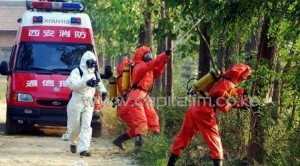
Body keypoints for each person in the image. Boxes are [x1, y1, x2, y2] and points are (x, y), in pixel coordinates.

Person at [167, 63, 251, 166]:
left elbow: (224, 95)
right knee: (215, 141)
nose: (243, 80)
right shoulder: (227, 83)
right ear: (240, 76)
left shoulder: (221, 79)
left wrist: (240, 96)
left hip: (194, 106)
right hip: (204, 111)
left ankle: (170, 164)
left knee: (183, 136)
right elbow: (221, 103)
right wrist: (238, 105)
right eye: (243, 77)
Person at [121, 46, 171, 154]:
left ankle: (158, 145)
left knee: (153, 119)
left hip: (145, 96)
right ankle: (138, 150)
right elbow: (153, 64)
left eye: (150, 54)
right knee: (141, 122)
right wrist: (164, 55)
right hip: (136, 95)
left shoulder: (148, 68)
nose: (149, 56)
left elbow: (157, 72)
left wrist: (164, 61)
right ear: (142, 56)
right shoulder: (140, 66)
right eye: (147, 54)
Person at [66, 51, 107, 157]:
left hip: (88, 102)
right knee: (74, 127)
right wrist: (85, 83)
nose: (91, 64)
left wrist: (103, 92)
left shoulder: (95, 73)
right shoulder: (77, 72)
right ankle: (72, 141)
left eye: (93, 62)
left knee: (86, 126)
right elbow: (72, 85)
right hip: (76, 101)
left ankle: (84, 149)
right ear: (84, 61)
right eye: (90, 62)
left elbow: (99, 85)